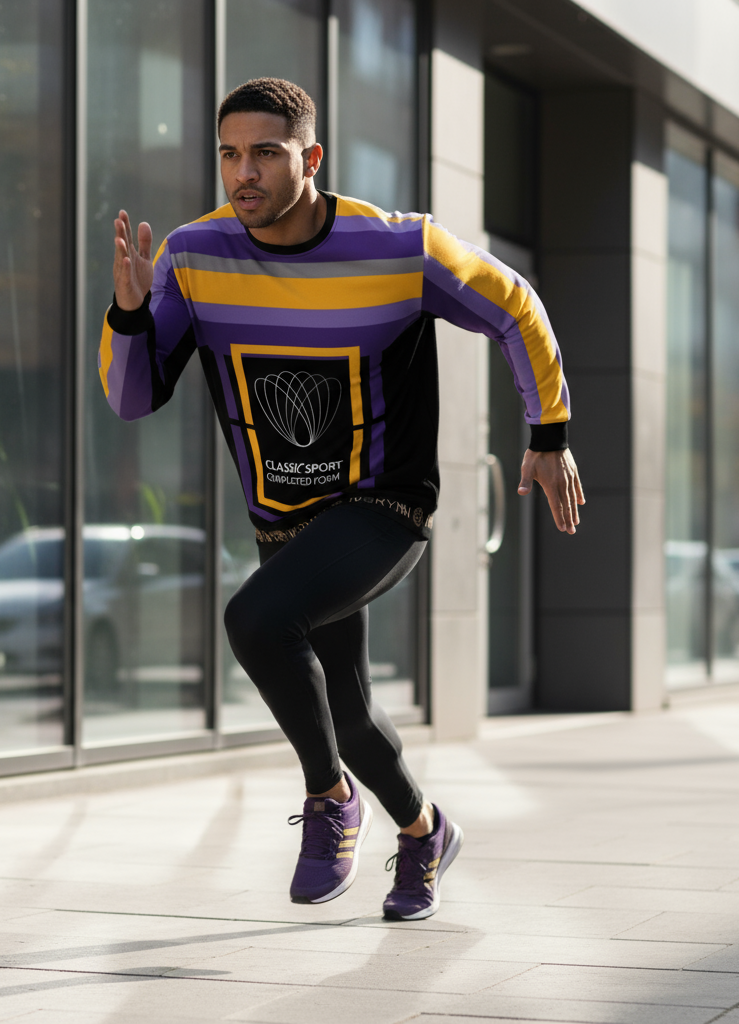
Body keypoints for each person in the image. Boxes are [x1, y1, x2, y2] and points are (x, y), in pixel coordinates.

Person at [100, 77, 583, 921]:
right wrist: (132, 313)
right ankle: (424, 831)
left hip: (384, 505)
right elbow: (132, 398)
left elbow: (515, 306)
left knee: (254, 621)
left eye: (264, 153)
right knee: (354, 717)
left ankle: (330, 801)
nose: (242, 173)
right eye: (228, 155)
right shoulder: (194, 255)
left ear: (311, 157)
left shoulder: (400, 248)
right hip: (282, 524)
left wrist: (548, 433)